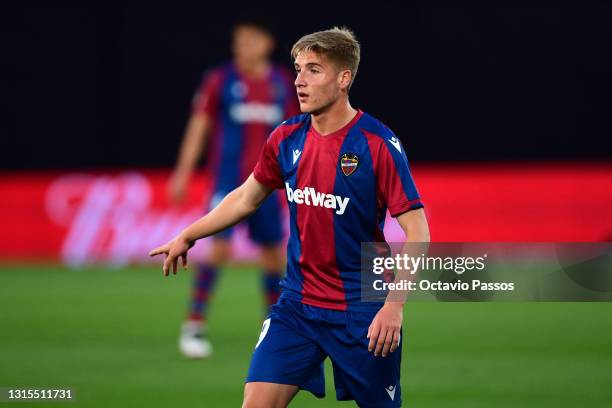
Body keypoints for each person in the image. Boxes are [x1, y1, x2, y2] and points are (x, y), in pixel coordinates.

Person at [151, 27, 430, 407]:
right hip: (296, 305)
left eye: (313, 70)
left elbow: (418, 231)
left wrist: (394, 306)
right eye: (298, 69)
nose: (299, 81)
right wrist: (190, 234)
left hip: (362, 307)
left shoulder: (377, 144)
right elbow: (247, 198)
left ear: (344, 78)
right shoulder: (285, 138)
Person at [168, 19, 298, 358]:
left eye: (251, 40)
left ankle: (272, 327)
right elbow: (199, 125)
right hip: (227, 183)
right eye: (239, 41)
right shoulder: (220, 80)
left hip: (269, 184)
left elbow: (296, 133)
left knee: (272, 255)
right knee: (217, 249)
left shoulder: (283, 84)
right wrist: (182, 172)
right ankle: (194, 324)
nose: (243, 47)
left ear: (267, 43)